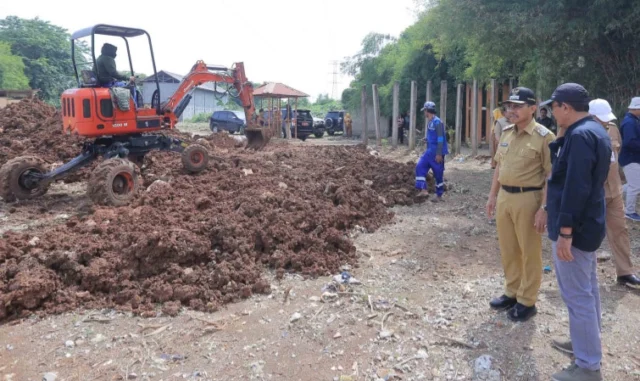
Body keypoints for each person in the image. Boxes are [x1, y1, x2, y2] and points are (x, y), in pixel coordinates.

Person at [542, 83, 611, 381]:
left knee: (577, 294)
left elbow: (575, 187)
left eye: (554, 107)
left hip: (577, 228)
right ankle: (586, 343)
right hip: (590, 223)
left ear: (565, 107)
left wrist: (565, 231)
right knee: (589, 288)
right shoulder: (594, 130)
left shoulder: (581, 137)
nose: (552, 112)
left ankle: (587, 366)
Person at [486, 87, 555, 322]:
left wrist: (544, 208)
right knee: (508, 249)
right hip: (505, 196)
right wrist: (492, 196)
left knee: (529, 251)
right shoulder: (506, 132)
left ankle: (527, 300)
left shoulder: (545, 137)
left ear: (533, 108)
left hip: (529, 199)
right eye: (509, 106)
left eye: (517, 106)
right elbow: (499, 167)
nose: (511, 110)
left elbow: (550, 177)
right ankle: (512, 291)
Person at [415, 101, 448, 202]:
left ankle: (439, 195)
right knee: (420, 166)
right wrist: (427, 139)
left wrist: (439, 153)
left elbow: (441, 138)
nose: (424, 112)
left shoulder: (438, 122)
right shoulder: (430, 122)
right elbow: (433, 136)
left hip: (436, 153)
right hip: (429, 151)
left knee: (438, 174)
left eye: (424, 110)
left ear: (427, 110)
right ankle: (423, 190)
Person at [618, 97, 640, 221]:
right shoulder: (630, 123)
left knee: (634, 184)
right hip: (630, 158)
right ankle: (629, 211)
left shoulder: (634, 121)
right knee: (635, 186)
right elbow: (630, 142)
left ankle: (616, 192)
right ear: (637, 108)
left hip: (633, 158)